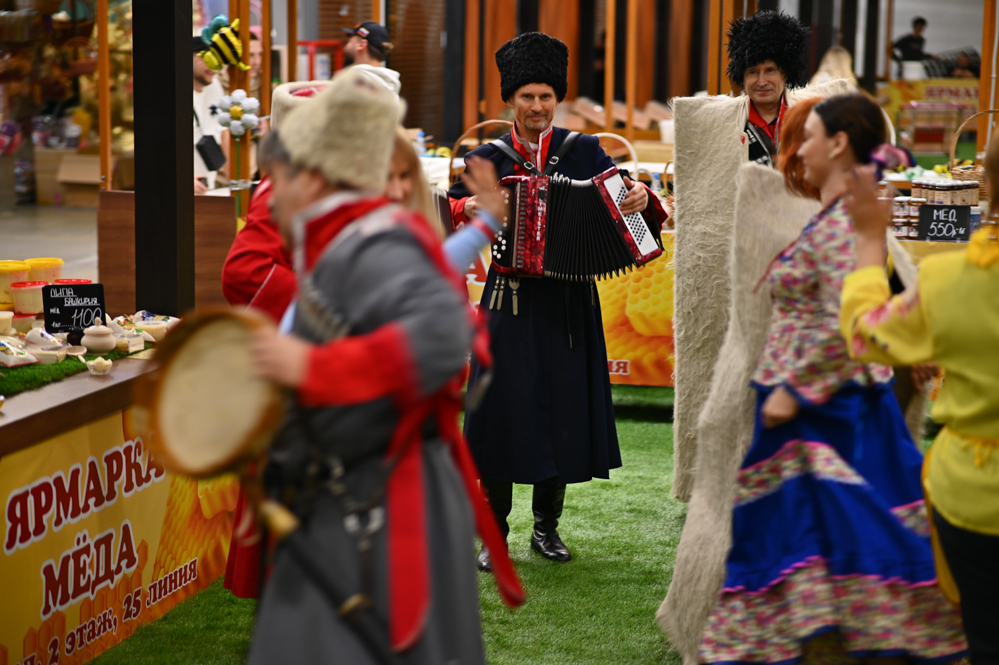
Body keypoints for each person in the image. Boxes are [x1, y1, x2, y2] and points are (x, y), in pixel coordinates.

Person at [245, 69, 523, 663]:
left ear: (311, 176)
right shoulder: (352, 240)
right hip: (364, 496)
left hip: (380, 505)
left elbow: (441, 333)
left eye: (277, 179)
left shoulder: (370, 241)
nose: (269, 197)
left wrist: (312, 367)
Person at [696, 92, 967, 663]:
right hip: (818, 409)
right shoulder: (840, 217)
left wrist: (796, 392)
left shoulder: (844, 224)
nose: (801, 150)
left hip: (828, 415)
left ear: (839, 144)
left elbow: (850, 327)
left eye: (811, 138)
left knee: (835, 541)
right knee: (817, 547)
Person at [447, 31, 667, 572]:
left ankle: (546, 528)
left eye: (546, 96)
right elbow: (447, 213)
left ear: (557, 100)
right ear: (510, 100)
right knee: (498, 414)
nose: (537, 106)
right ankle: (494, 533)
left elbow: (634, 206)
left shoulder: (585, 151)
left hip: (570, 304)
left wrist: (643, 196)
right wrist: (466, 208)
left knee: (559, 411)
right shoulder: (485, 158)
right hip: (507, 301)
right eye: (527, 96)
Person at [841, 134, 999, 665]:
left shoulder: (947, 278)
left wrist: (870, 240)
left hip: (971, 494)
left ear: (986, 186)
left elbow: (865, 333)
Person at [726, 10, 811, 166]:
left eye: (770, 70)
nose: (762, 81)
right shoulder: (727, 123)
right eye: (753, 72)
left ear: (785, 73)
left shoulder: (808, 118)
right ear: (742, 78)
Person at [193, 35, 229, 194]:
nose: (213, 64)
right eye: (205, 56)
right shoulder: (174, 92)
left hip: (208, 186)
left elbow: (223, 131)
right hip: (179, 189)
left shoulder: (215, 86)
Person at [341, 21, 401, 96]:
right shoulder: (389, 84)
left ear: (361, 45)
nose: (345, 48)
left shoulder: (352, 84)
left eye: (349, 42)